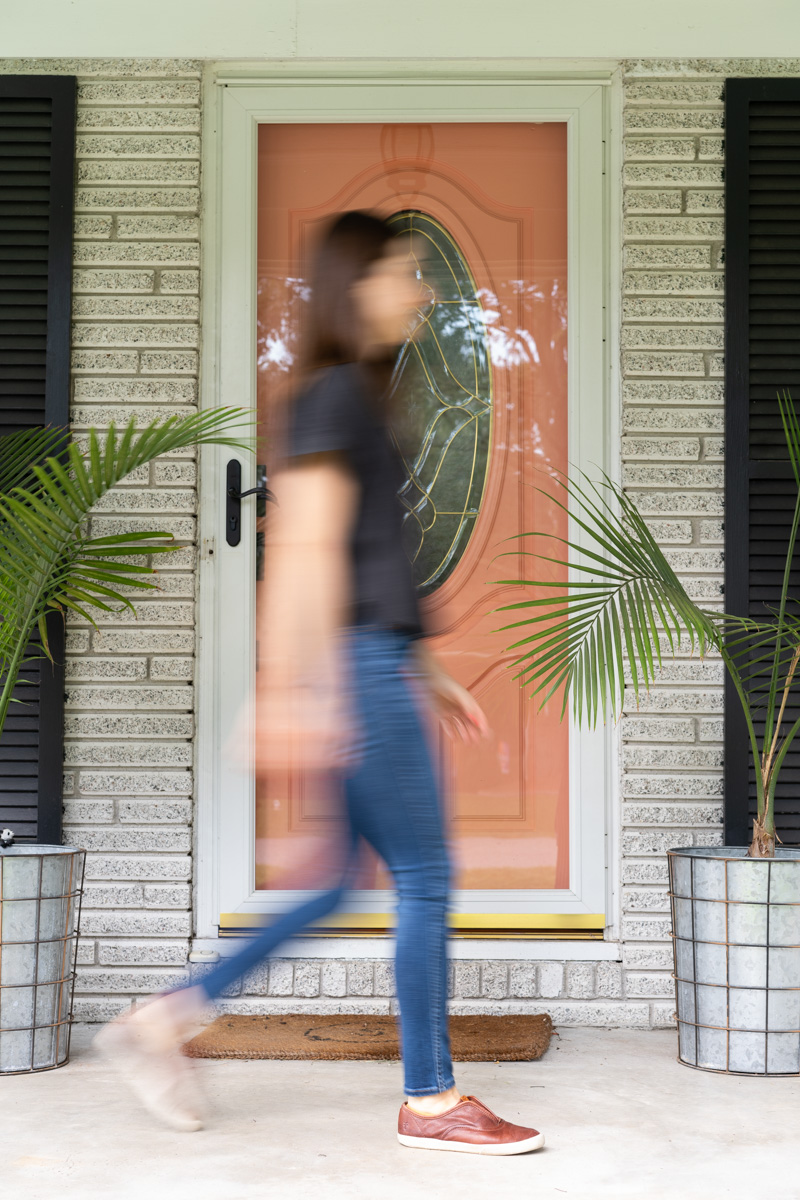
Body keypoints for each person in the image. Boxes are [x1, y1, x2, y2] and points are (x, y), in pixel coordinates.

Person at [96, 211, 545, 1156]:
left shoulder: (355, 398)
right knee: (425, 877)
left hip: (373, 664)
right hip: (356, 673)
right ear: (359, 284)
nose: (421, 292)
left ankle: (168, 1015)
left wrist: (423, 668)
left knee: (338, 878)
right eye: (406, 273)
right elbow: (300, 548)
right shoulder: (337, 396)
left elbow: (357, 559)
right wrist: (286, 690)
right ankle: (431, 1102)